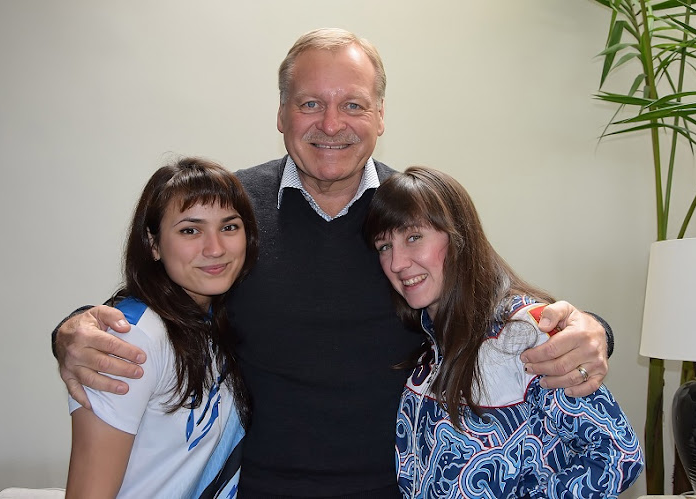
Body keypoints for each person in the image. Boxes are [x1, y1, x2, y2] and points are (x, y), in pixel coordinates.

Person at [53, 29, 614, 497]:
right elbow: (163, 297)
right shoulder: (235, 212)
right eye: (310, 103)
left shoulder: (417, 217)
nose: (331, 123)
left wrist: (594, 331)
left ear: (380, 115)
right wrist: (71, 328)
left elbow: (503, 304)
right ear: (281, 114)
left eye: (352, 104)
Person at [364, 166, 643, 498]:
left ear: (458, 238)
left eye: (413, 237)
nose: (397, 263)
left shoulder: (523, 334)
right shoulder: (428, 343)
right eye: (384, 246)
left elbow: (617, 454)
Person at [65, 158, 258, 498]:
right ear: (153, 244)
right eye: (190, 230)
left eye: (229, 227)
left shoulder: (213, 320)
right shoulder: (131, 338)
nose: (215, 248)